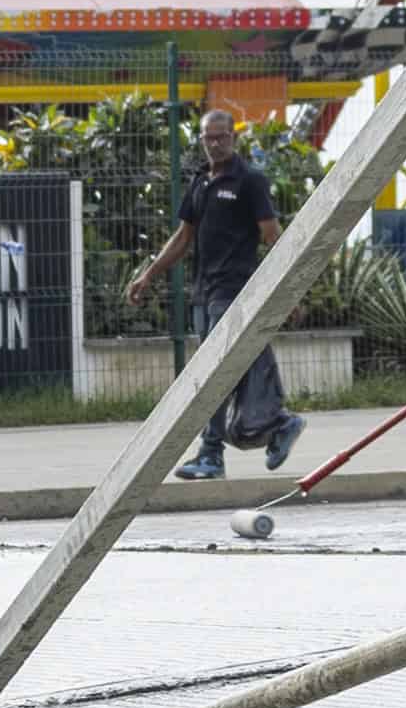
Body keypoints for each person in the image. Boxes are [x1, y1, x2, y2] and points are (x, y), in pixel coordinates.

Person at [122, 108, 296, 482]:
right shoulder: (201, 182)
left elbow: (271, 236)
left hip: (234, 292)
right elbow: (183, 237)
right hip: (205, 292)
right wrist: (149, 274)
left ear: (233, 137)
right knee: (221, 374)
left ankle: (211, 454)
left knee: (212, 376)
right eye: (208, 138)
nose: (215, 144)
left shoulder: (249, 180)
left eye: (222, 137)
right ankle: (279, 423)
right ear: (201, 139)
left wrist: (285, 292)